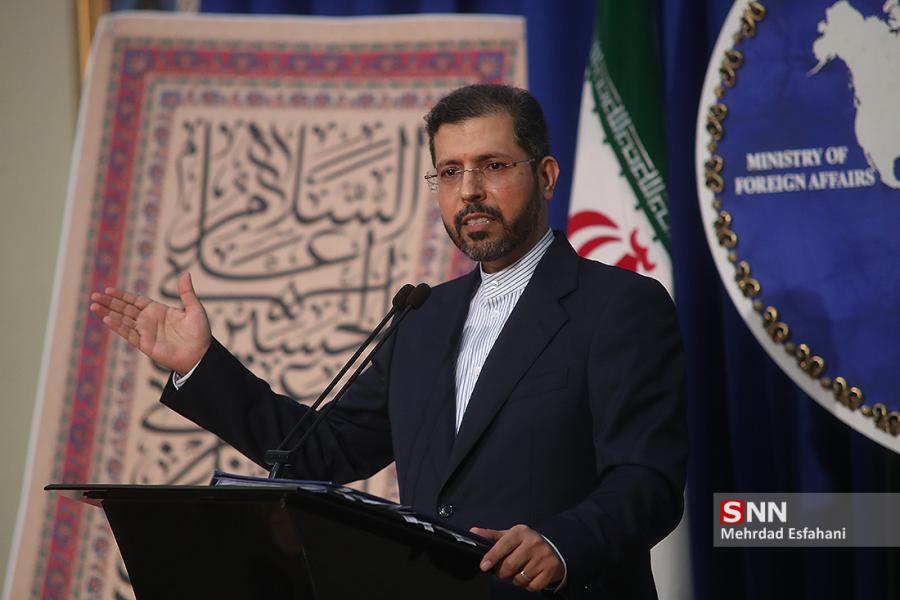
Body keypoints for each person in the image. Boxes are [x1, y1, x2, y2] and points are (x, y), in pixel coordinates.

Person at [90, 84, 687, 599]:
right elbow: (321, 452)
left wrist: (561, 543)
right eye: (449, 171)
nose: (469, 190)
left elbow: (649, 479)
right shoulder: (423, 318)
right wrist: (201, 365)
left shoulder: (618, 306)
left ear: (546, 176)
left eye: (492, 165)